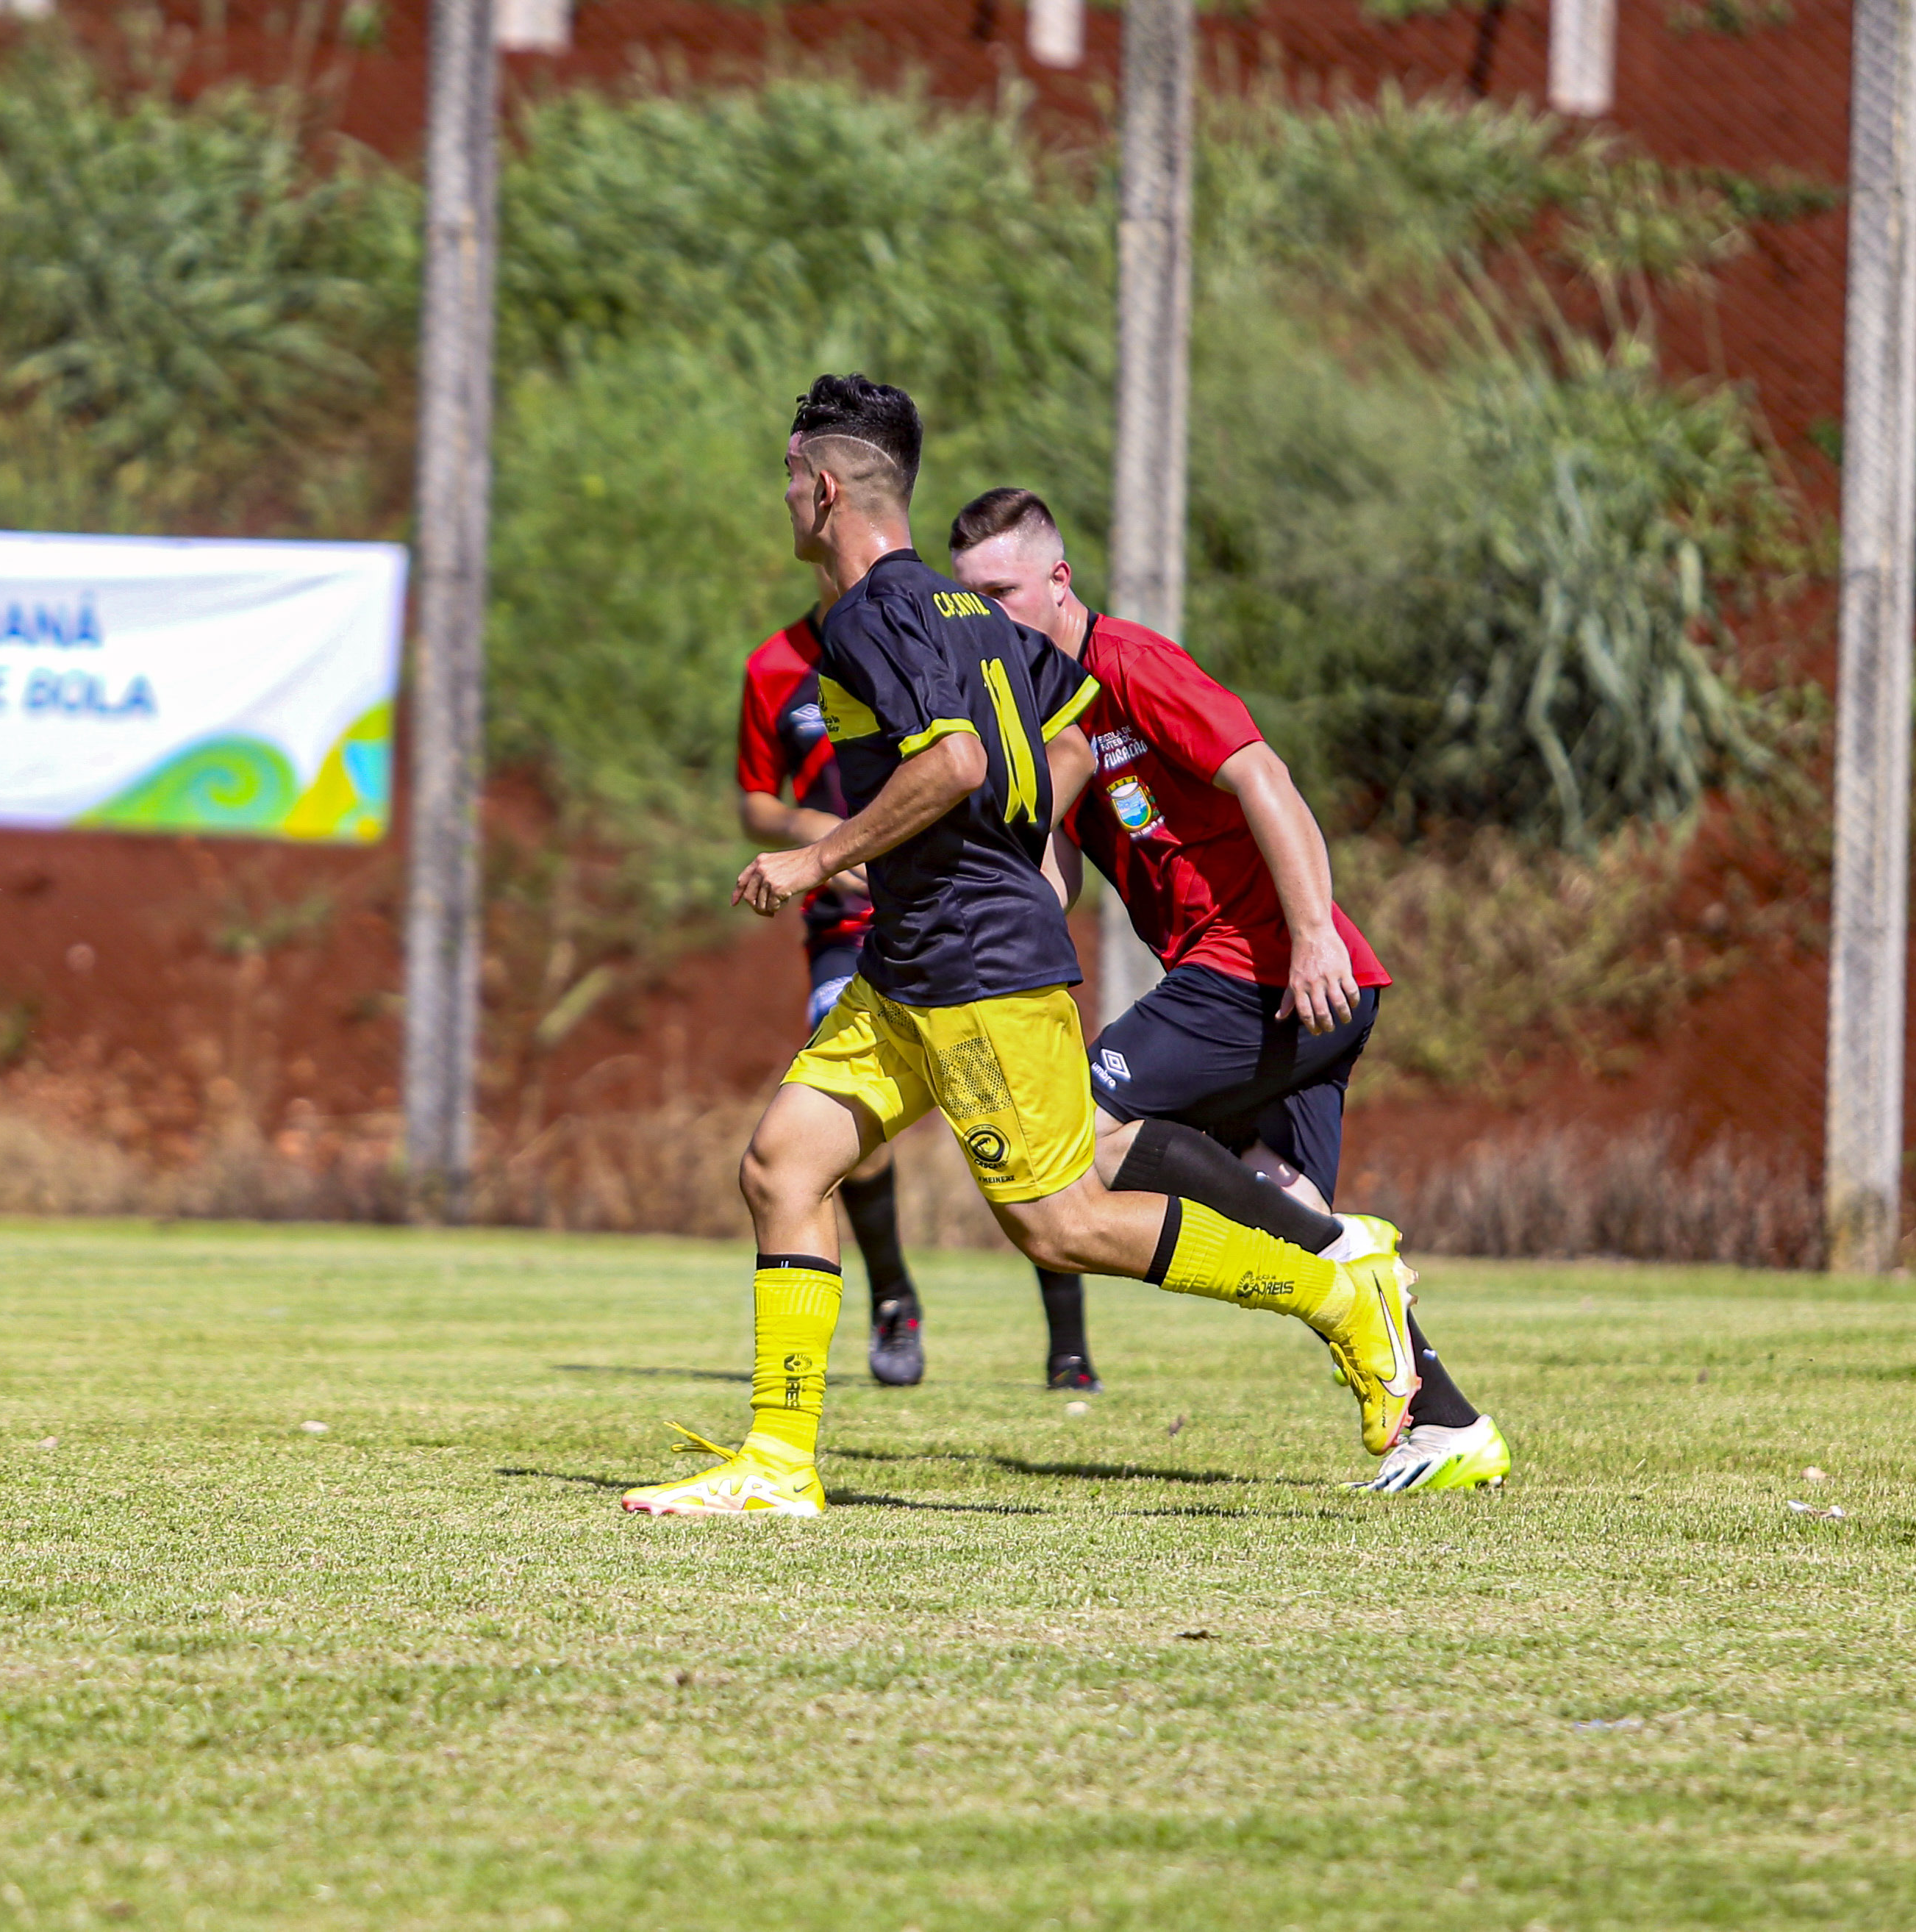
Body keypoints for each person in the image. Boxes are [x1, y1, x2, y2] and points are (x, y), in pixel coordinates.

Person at [623, 375, 1417, 1519]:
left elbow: (952, 762)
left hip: (975, 969)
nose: (783, 497)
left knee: (1062, 1224)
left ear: (825, 488)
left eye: (789, 477)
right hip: (914, 960)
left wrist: (819, 854)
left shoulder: (871, 616)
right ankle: (778, 1463)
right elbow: (1067, 719)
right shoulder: (967, 615)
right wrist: (1001, 851)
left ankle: (1338, 1291)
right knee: (782, 1165)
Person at [946, 485, 1512, 1495]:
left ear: (1059, 581)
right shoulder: (1041, 710)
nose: (987, 616)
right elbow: (1056, 871)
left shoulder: (1131, 664)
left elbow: (1264, 777)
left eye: (1003, 593)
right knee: (1284, 1212)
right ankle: (1450, 1425)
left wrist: (1311, 936)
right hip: (1261, 986)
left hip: (1263, 969)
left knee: (1085, 1133)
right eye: (970, 599)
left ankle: (1343, 1253)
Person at [737, 574, 1098, 1389]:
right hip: (848, 936)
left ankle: (1070, 1347)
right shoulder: (774, 666)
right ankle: (891, 1300)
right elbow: (755, 800)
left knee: (1046, 1183)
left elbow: (997, 755)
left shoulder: (932, 626)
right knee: (805, 1144)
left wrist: (1015, 853)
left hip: (969, 929)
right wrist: (809, 834)